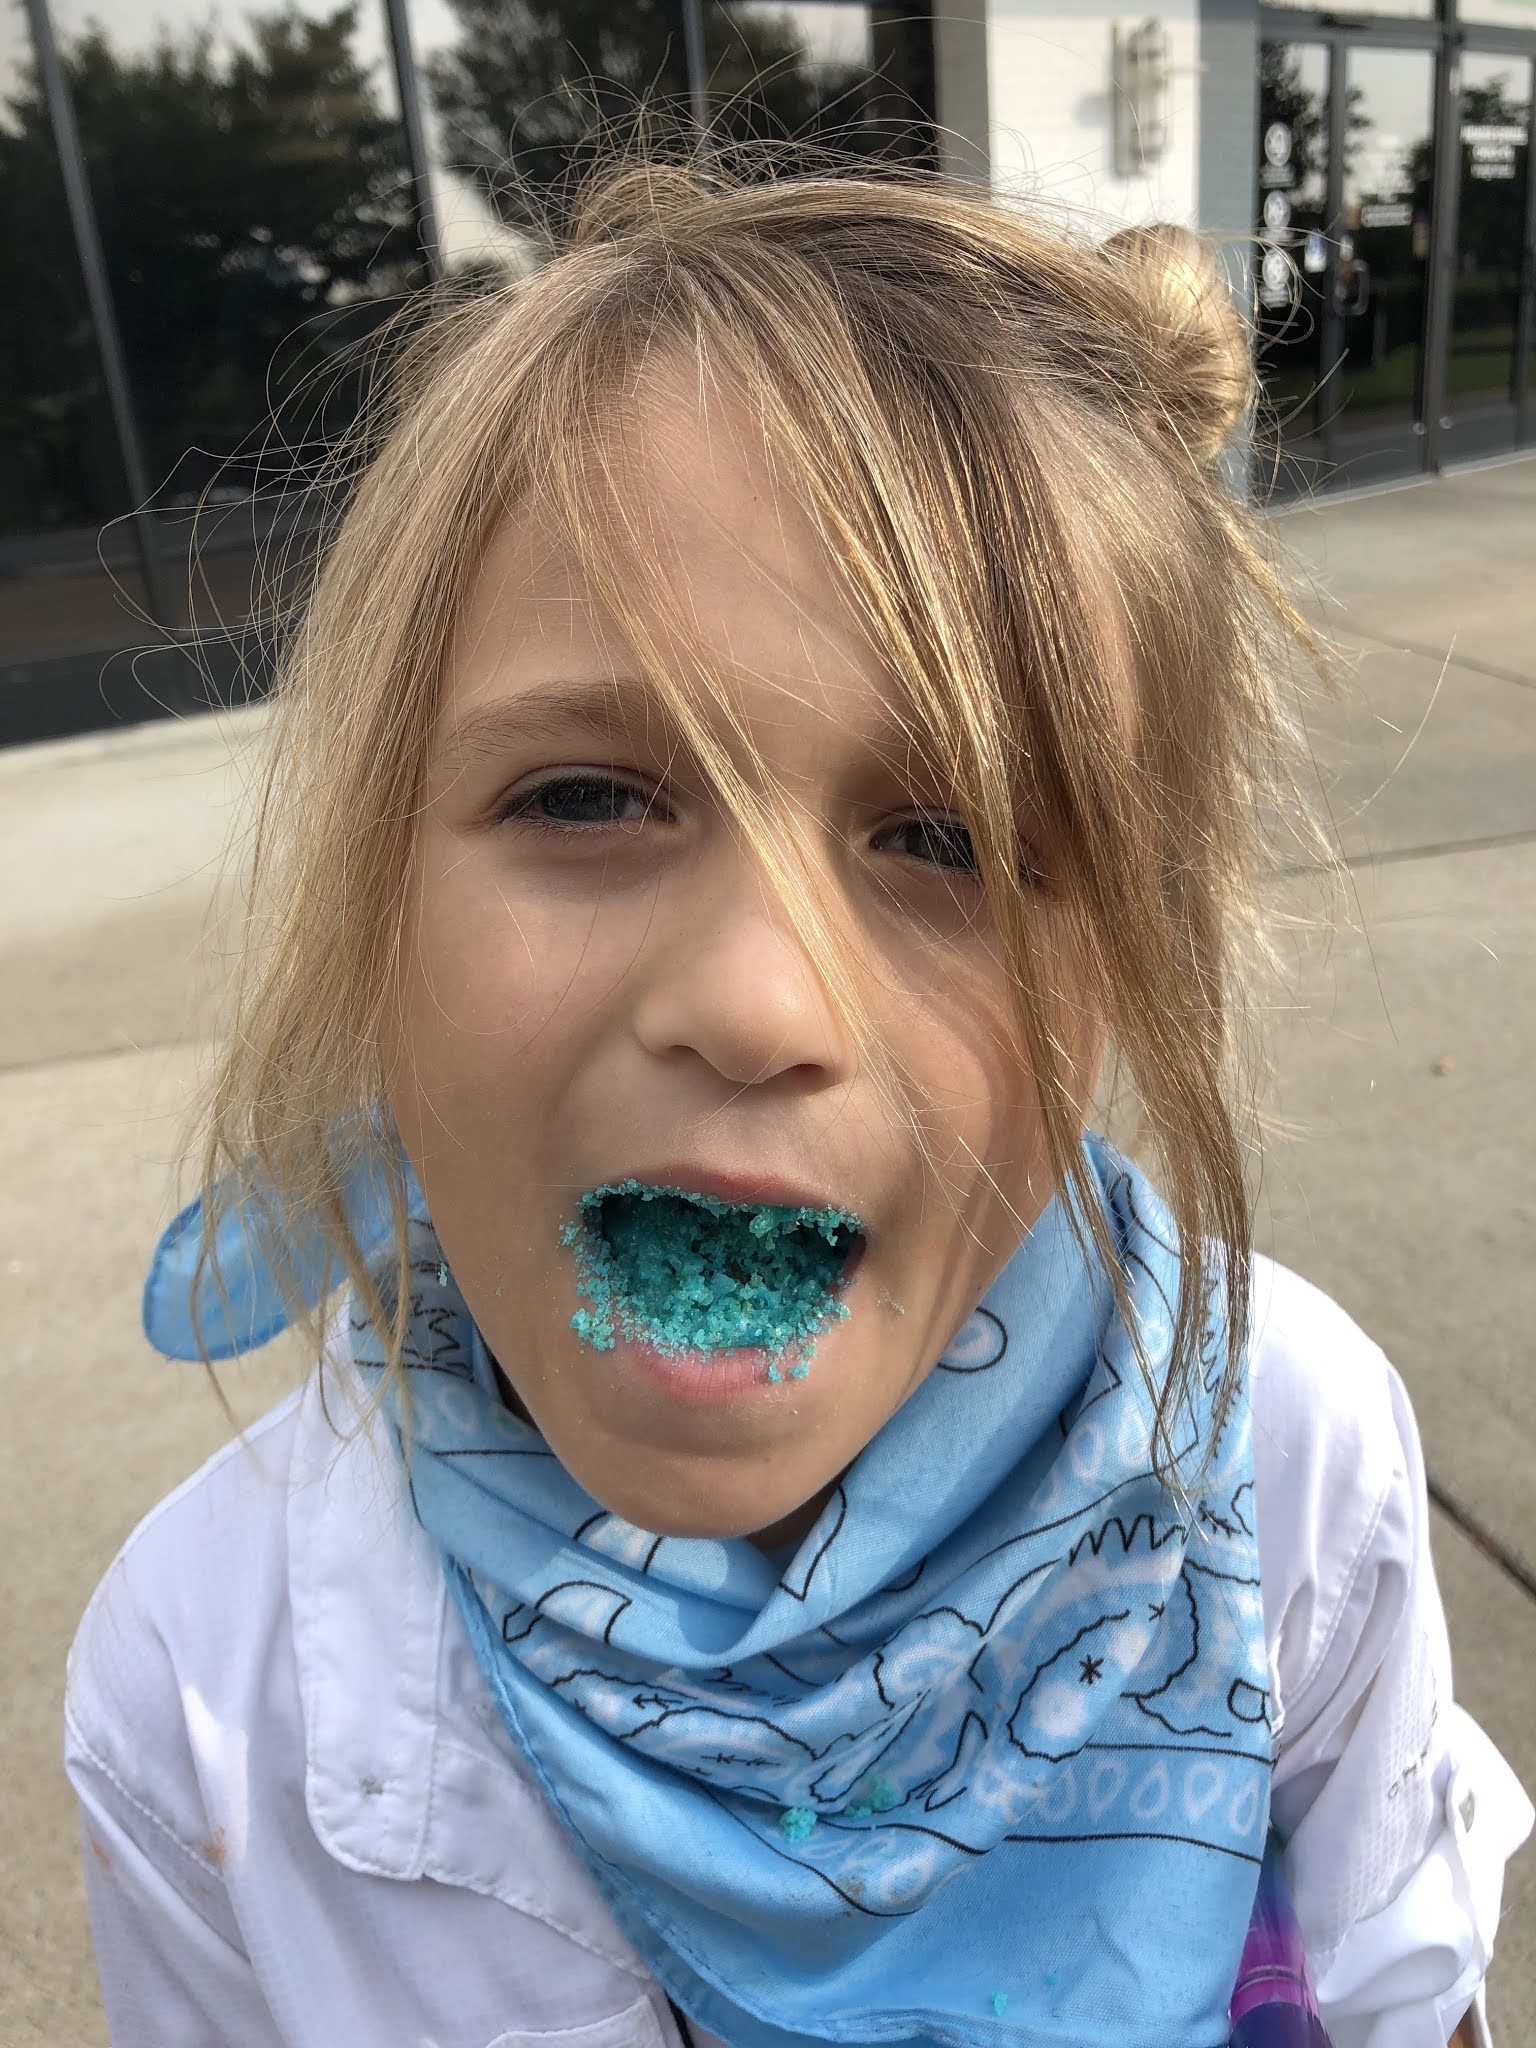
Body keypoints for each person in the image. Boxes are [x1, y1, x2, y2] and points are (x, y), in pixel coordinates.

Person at [65, 161, 1530, 2048]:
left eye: (951, 838)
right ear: (376, 892)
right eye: (587, 797)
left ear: (1129, 964)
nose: (761, 1006)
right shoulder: (203, 1686)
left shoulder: (1289, 1455)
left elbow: (1409, 1991)